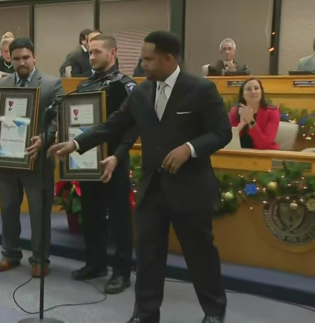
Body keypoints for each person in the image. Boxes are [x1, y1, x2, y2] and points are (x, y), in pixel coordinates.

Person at [48, 31, 230, 323]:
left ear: (168, 58)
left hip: (190, 191)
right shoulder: (142, 92)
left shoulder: (200, 89)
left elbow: (222, 132)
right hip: (152, 191)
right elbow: (112, 125)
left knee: (200, 257)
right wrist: (77, 143)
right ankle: (144, 314)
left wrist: (189, 148)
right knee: (148, 258)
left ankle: (214, 311)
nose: (142, 64)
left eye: (148, 59)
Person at [0, 38, 64, 277]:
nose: (21, 62)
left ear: (34, 57)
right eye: (16, 58)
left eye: (26, 57)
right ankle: (10, 254)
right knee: (8, 209)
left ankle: (40, 259)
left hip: (38, 161)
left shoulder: (51, 84)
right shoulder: (3, 83)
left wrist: (44, 139)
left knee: (39, 211)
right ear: (10, 58)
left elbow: (58, 118)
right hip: (9, 159)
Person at [69, 35, 136, 295]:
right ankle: (95, 263)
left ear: (113, 53)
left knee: (119, 217)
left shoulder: (125, 85)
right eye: (90, 52)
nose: (92, 56)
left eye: (97, 51)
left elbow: (133, 125)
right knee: (91, 213)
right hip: (88, 159)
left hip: (114, 159)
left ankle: (121, 272)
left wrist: (118, 155)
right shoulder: (85, 85)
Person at [230, 78, 279, 150]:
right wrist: (241, 124)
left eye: (256, 88)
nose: (253, 92)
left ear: (261, 92)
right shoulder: (235, 111)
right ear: (242, 95)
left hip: (264, 155)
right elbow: (228, 142)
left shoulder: (272, 112)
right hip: (239, 154)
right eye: (248, 89)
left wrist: (250, 120)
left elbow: (264, 145)